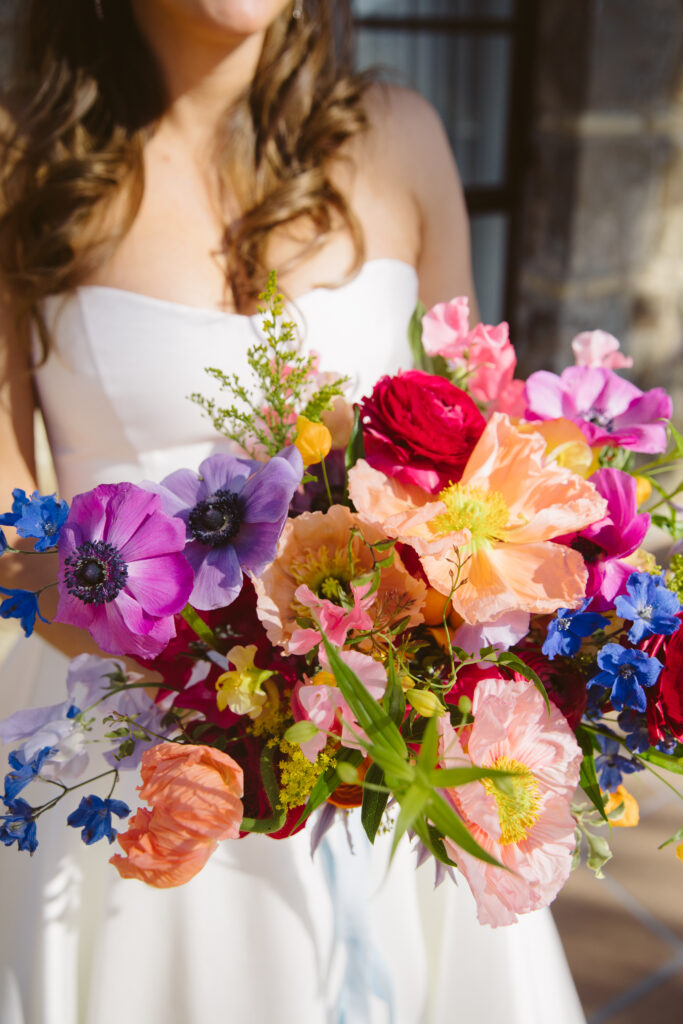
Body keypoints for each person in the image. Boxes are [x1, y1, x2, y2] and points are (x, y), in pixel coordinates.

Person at [0, 2, 587, 1022]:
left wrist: (397, 658)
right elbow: (8, 530)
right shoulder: (21, 163)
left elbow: (485, 452)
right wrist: (223, 677)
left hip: (384, 746)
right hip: (140, 757)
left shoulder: (402, 137)